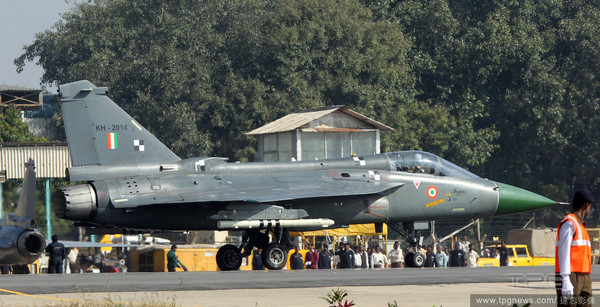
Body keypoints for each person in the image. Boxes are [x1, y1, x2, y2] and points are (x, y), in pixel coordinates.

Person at [556, 190, 594, 306]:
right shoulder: (569, 223)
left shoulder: (581, 226)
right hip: (571, 276)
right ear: (586, 205)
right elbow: (563, 251)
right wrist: (565, 279)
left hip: (584, 275)